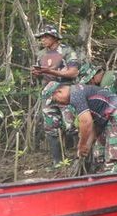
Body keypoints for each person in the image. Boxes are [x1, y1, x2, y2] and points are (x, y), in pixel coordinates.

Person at [42, 81, 117, 173]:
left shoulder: (75, 94)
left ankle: (115, 182)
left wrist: (82, 144)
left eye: (56, 100)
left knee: (114, 157)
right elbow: (92, 125)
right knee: (98, 153)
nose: (59, 104)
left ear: (59, 91)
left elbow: (86, 122)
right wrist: (86, 146)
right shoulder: (78, 93)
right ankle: (101, 177)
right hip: (111, 119)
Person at [31, 24, 81, 166]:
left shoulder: (67, 51)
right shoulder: (41, 54)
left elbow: (73, 72)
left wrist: (52, 72)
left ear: (54, 37)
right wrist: (36, 74)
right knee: (50, 128)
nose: (43, 40)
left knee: (72, 126)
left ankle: (81, 159)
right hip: (48, 94)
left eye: (45, 37)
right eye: (41, 38)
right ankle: (57, 162)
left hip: (66, 92)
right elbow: (40, 75)